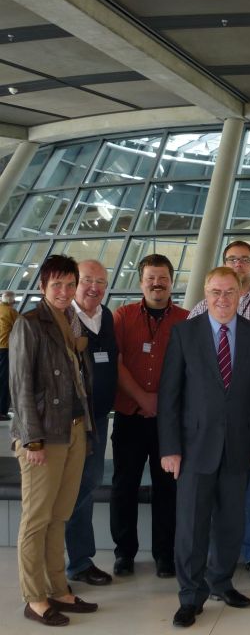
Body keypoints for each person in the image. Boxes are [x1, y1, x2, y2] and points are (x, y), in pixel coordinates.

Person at [159, 267, 250, 627]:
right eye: (215, 292)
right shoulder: (184, 334)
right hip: (194, 449)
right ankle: (190, 596)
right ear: (205, 295)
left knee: (230, 524)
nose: (222, 299)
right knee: (191, 527)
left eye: (229, 292)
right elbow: (169, 397)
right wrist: (170, 448)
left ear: (241, 293)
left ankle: (221, 583)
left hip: (239, 447)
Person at [188, 240, 250, 582]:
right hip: (211, 426)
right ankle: (218, 561)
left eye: (244, 260)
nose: (239, 264)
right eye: (232, 259)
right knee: (215, 498)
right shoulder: (201, 309)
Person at [10, 255, 98, 626]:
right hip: (44, 437)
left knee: (59, 516)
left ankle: (58, 589)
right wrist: (32, 442)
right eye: (56, 285)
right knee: (36, 519)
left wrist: (87, 431)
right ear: (44, 287)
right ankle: (35, 598)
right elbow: (20, 387)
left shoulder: (71, 320)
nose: (63, 291)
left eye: (69, 284)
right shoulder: (29, 324)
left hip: (74, 431)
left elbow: (79, 381)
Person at [111, 254, 188, 578]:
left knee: (167, 489)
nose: (157, 284)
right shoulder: (122, 316)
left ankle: (164, 555)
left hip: (168, 421)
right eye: (150, 279)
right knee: (123, 486)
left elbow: (189, 369)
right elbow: (114, 362)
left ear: (172, 281)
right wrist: (143, 397)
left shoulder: (186, 319)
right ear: (141, 282)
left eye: (163, 279)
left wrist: (163, 403)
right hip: (129, 415)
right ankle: (124, 553)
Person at [65, 260, 118, 586]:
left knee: (86, 487)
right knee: (65, 494)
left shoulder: (106, 316)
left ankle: (80, 562)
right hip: (67, 424)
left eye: (100, 281)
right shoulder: (60, 318)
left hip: (97, 421)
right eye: (87, 280)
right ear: (73, 283)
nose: (94, 287)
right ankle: (57, 570)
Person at [0, 289, 19, 420]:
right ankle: (1, 412)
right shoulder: (11, 312)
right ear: (12, 301)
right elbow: (21, 327)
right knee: (4, 380)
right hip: (5, 349)